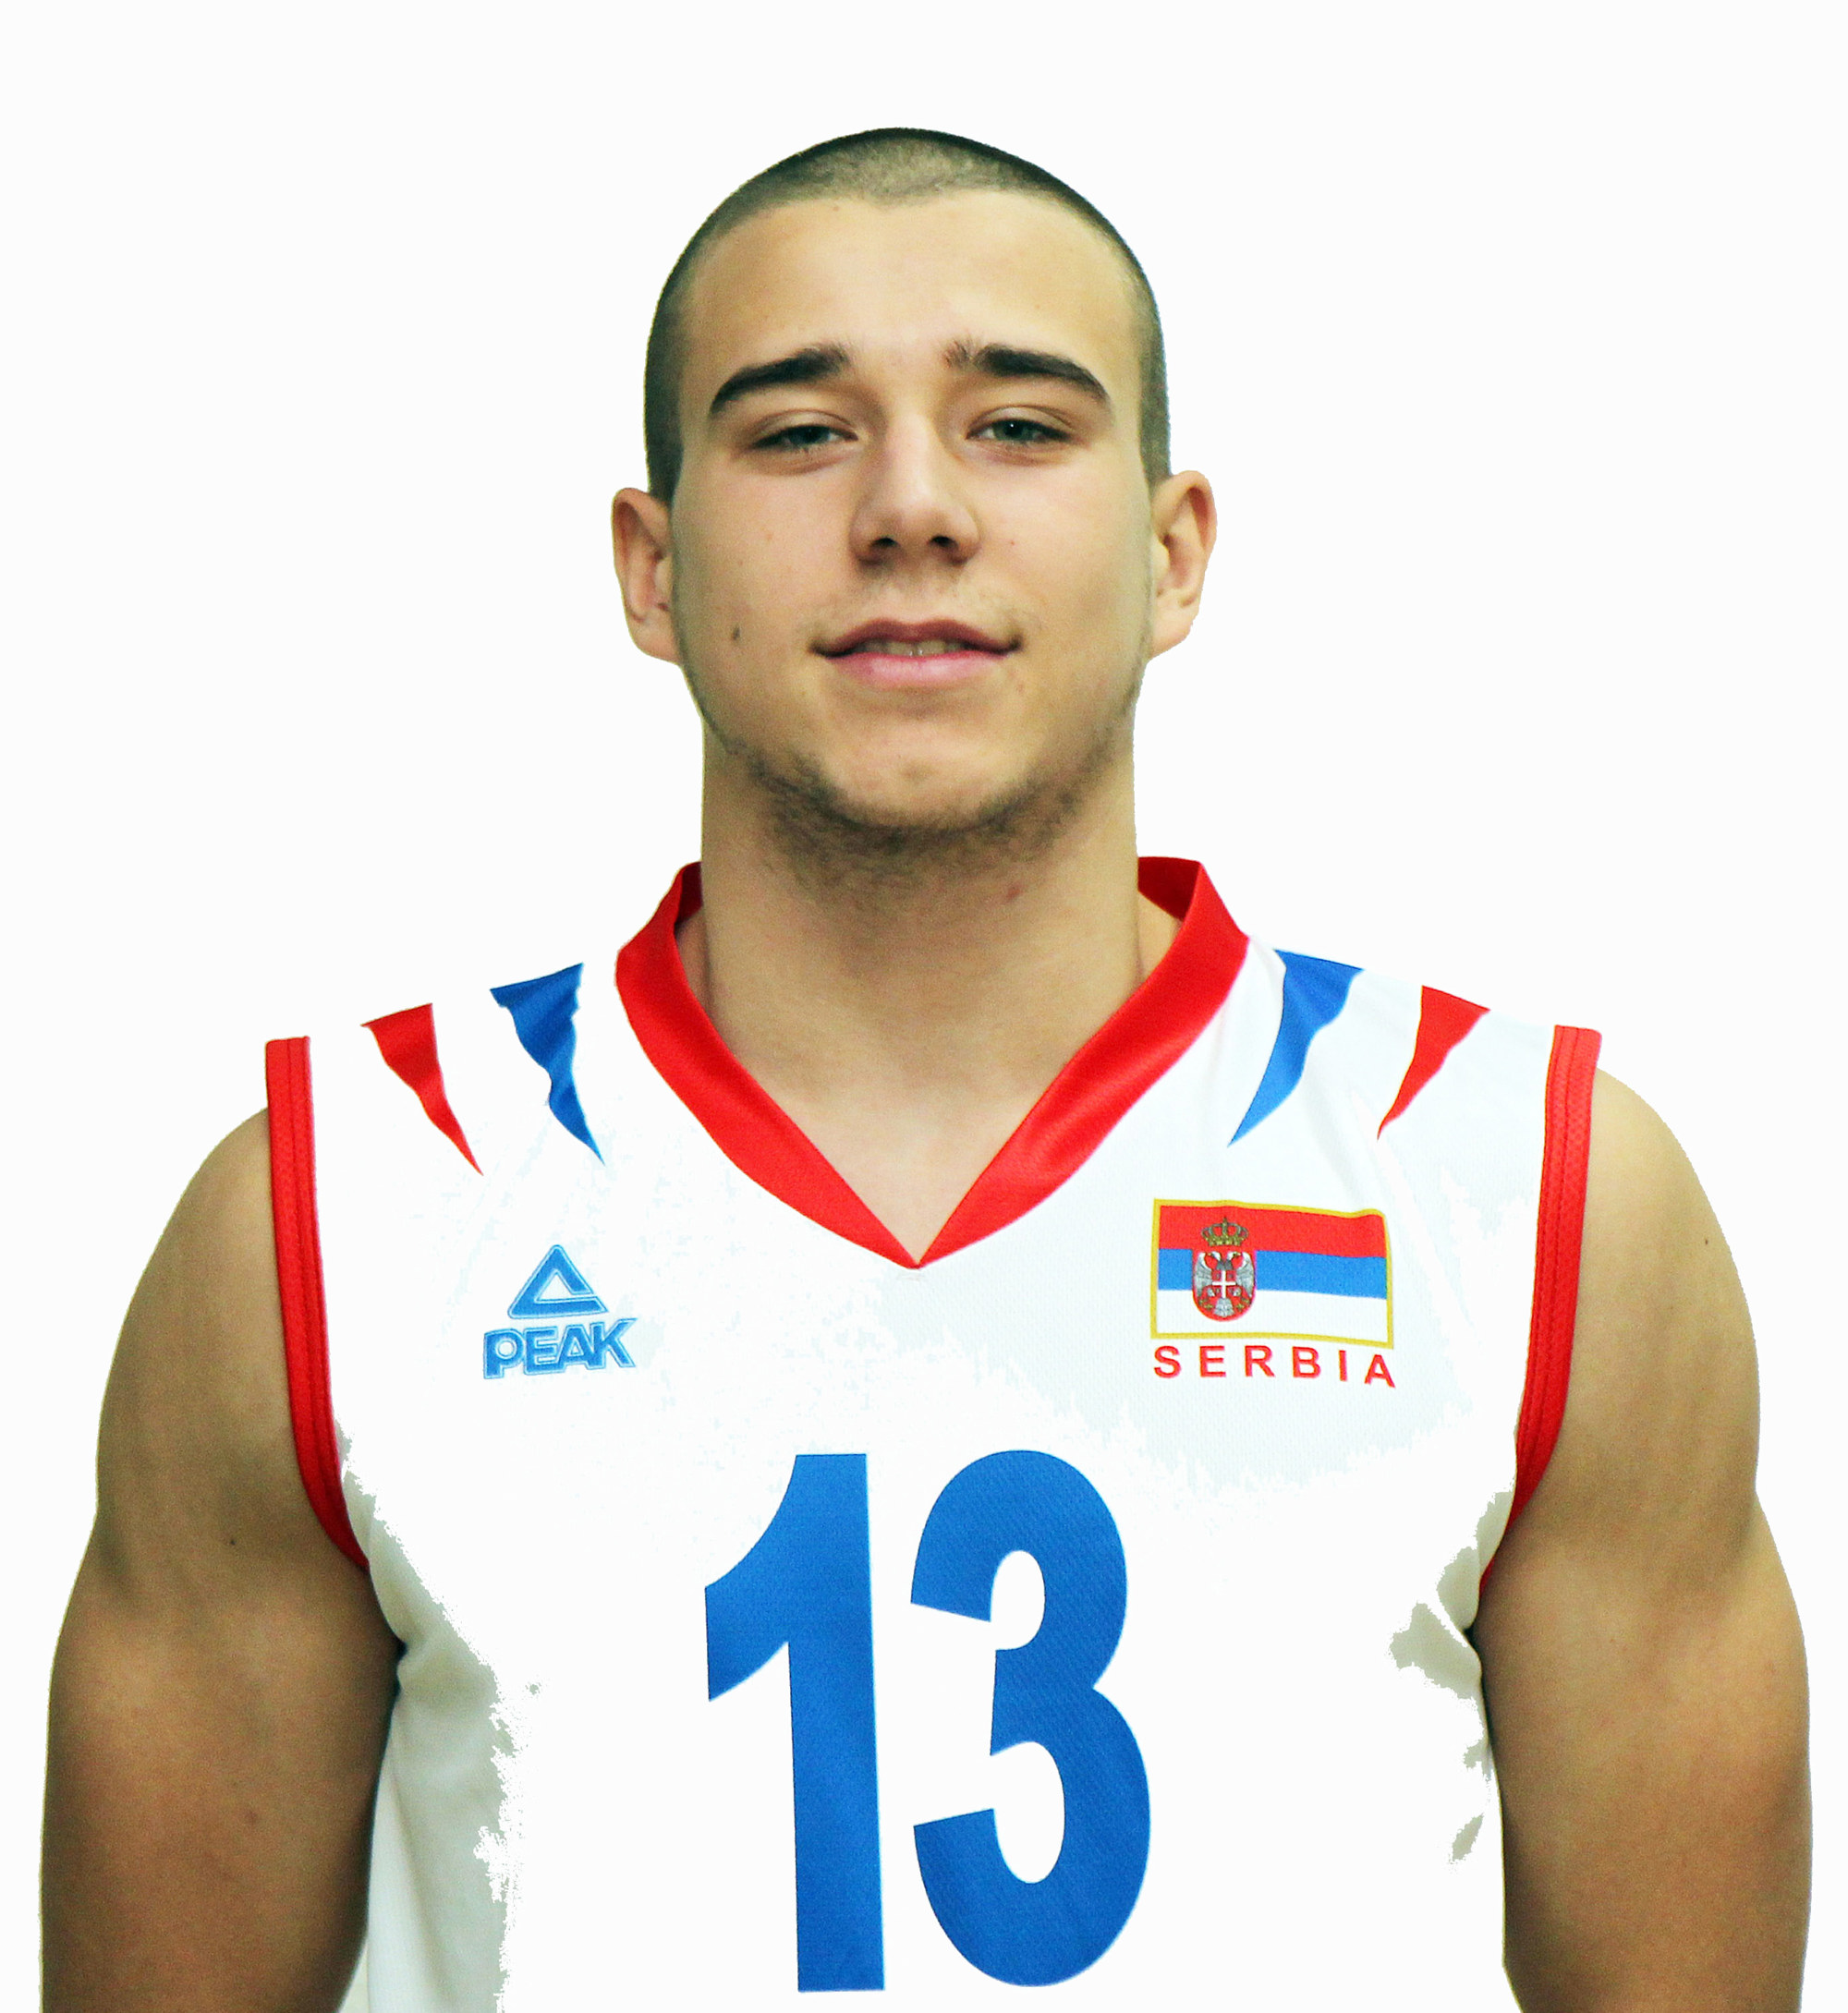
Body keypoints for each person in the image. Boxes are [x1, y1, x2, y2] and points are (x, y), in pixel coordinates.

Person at [43, 127, 1809, 2011]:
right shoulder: (339, 1219)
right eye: (800, 433)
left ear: (1172, 552)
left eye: (1020, 427)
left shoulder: (1523, 1198)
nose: (910, 507)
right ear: (651, 567)